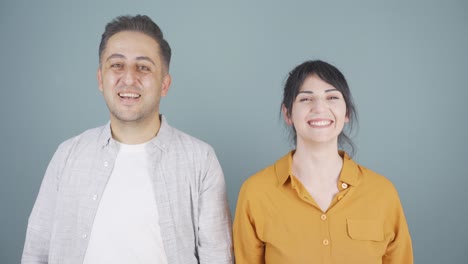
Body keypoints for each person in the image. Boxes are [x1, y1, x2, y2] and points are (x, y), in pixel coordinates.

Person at [22, 15, 233, 264]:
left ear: (164, 84)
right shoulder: (67, 155)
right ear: (101, 79)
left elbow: (218, 257)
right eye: (116, 65)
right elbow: (36, 252)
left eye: (143, 67)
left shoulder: (200, 160)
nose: (129, 78)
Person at [233, 60, 413, 263]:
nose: (319, 107)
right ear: (288, 114)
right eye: (306, 99)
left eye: (332, 97)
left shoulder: (382, 193)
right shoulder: (255, 192)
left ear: (347, 113)